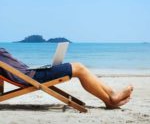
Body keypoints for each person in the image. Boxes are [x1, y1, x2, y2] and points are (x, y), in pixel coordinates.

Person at [0, 48, 133, 109]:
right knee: (79, 68)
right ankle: (111, 97)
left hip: (33, 73)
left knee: (78, 67)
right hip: (32, 77)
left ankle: (110, 98)